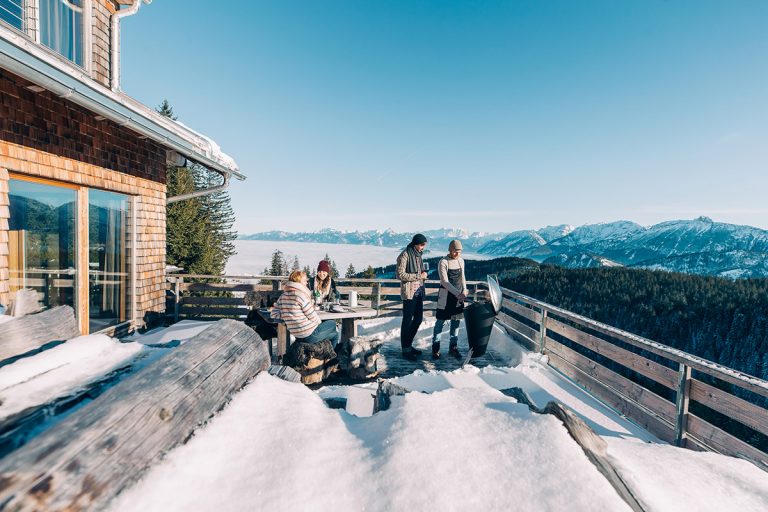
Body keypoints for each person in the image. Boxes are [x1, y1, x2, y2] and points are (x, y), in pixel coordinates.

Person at [271, 270, 339, 347]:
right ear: (299, 282)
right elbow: (313, 317)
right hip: (310, 334)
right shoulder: (300, 296)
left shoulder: (282, 296)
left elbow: (274, 314)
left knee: (334, 335)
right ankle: (328, 353)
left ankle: (322, 349)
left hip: (297, 335)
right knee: (332, 323)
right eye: (305, 281)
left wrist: (288, 316)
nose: (307, 283)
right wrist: (319, 325)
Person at [432, 240, 469, 359]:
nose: (457, 254)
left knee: (456, 322)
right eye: (455, 251)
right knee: (440, 321)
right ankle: (435, 348)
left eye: (459, 251)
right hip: (445, 296)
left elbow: (463, 277)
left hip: (458, 297)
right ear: (450, 250)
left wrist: (465, 290)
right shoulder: (443, 262)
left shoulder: (461, 261)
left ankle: (453, 347)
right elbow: (444, 282)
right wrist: (458, 293)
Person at [397, 233, 428, 360]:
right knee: (407, 320)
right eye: (421, 245)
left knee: (418, 319)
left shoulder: (418, 255)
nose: (423, 247)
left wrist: (422, 275)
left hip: (418, 292)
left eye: (424, 245)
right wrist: (418, 276)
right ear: (415, 244)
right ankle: (405, 349)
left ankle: (408, 345)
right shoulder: (405, 255)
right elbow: (400, 274)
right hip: (409, 293)